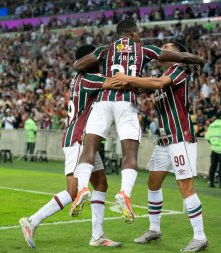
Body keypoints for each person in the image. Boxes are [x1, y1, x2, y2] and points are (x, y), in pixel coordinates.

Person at [71, 19, 205, 223]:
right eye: (138, 33)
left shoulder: (105, 50)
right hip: (127, 103)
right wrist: (199, 60)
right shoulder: (144, 50)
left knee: (89, 148)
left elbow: (78, 65)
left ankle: (81, 189)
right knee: (130, 154)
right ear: (133, 33)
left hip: (104, 101)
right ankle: (125, 194)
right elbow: (182, 56)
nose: (140, 36)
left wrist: (102, 74)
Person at [109, 42, 209, 251]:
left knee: (185, 186)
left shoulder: (178, 71)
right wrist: (128, 83)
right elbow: (146, 86)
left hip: (180, 137)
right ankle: (154, 229)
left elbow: (159, 84)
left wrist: (129, 78)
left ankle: (200, 237)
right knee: (153, 183)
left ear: (176, 54)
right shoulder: (161, 74)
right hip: (164, 139)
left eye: (166, 47)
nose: (162, 49)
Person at [19, 45, 121, 249]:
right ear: (87, 60)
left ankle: (97, 235)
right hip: (78, 139)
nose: (99, 59)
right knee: (74, 190)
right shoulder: (88, 78)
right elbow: (114, 83)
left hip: (87, 139)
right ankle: (32, 221)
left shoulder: (81, 79)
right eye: (95, 56)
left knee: (101, 184)